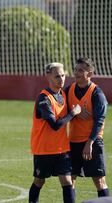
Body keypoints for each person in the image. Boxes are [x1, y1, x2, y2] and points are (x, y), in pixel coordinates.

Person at [29, 62, 81, 203]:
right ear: (48, 77)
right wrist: (73, 113)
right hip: (44, 150)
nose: (61, 79)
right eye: (57, 76)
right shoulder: (44, 98)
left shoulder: (63, 94)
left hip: (62, 149)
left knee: (67, 181)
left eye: (63, 75)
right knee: (39, 181)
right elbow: (55, 125)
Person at [65, 57, 109, 198]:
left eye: (81, 70)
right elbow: (60, 110)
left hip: (92, 142)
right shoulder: (68, 90)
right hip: (73, 141)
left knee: (99, 181)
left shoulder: (97, 94)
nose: (76, 73)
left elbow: (99, 121)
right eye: (75, 70)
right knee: (69, 180)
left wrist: (89, 143)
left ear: (89, 73)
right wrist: (74, 111)